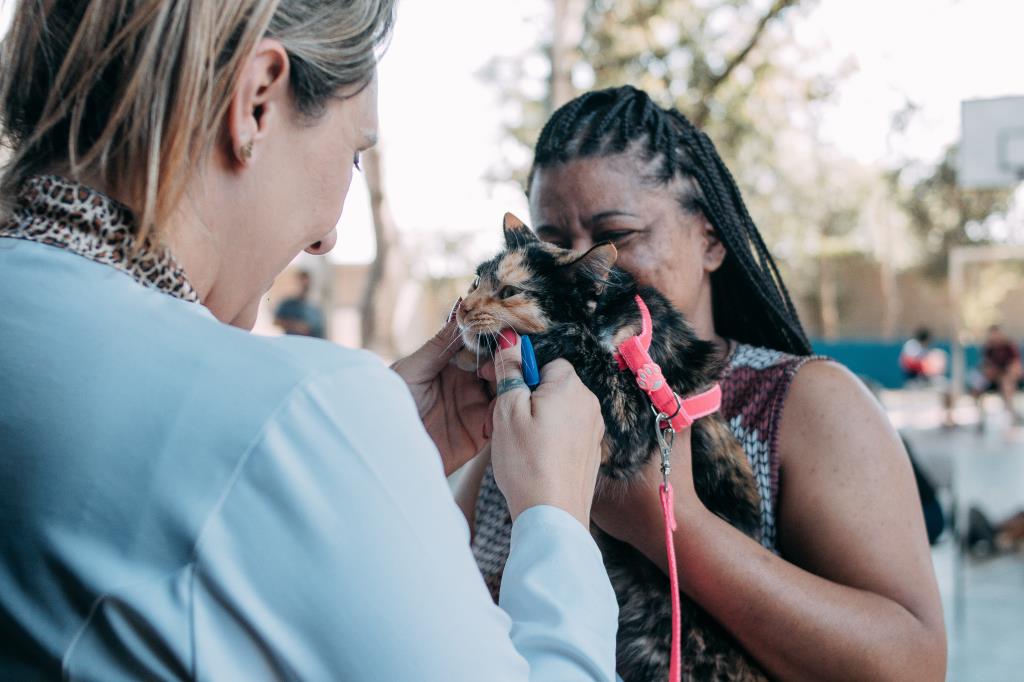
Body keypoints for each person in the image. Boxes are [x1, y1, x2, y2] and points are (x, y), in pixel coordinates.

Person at [0, 2, 620, 680]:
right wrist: (555, 518)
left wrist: (365, 468)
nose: (330, 237)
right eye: (354, 155)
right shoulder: (303, 410)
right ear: (258, 101)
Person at [458, 86, 947, 681]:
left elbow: (915, 665)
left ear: (710, 239)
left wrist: (668, 521)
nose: (577, 268)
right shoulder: (520, 405)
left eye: (618, 233)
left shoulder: (807, 401)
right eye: (552, 243)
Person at [969, 324, 1023, 426]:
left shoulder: (1009, 346)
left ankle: (1011, 416)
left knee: (1007, 384)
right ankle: (980, 418)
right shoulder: (988, 348)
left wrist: (1008, 373)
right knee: (977, 385)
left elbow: (1016, 366)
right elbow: (984, 366)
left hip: (1007, 377)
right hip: (992, 377)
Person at [274, 269, 326, 337]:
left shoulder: (315, 306)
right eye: (302, 284)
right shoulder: (287, 304)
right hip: (292, 342)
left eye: (306, 286)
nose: (304, 288)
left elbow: (320, 328)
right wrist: (294, 325)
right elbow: (276, 321)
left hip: (311, 343)